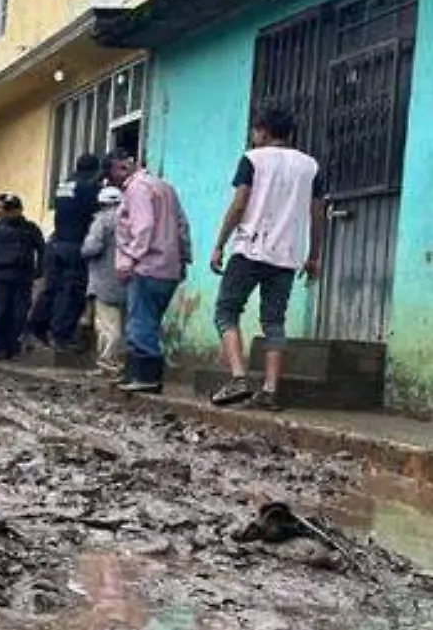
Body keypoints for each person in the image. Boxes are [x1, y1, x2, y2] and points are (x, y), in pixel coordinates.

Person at [207, 106, 327, 410]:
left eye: (255, 131)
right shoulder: (310, 166)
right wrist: (314, 255)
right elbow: (317, 213)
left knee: (226, 311)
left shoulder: (252, 159)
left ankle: (238, 378)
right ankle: (270, 390)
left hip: (249, 248)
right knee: (274, 321)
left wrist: (220, 243)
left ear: (262, 131)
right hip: (286, 256)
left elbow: (239, 204)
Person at [109, 149, 192, 394]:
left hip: (147, 265)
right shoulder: (165, 187)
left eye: (112, 173)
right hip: (169, 268)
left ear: (121, 168)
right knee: (149, 322)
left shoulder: (136, 189)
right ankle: (136, 374)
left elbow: (143, 227)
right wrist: (184, 258)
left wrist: (129, 260)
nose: (112, 180)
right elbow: (182, 226)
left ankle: (145, 377)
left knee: (140, 323)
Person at [29, 153, 105, 351]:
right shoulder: (88, 187)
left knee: (51, 289)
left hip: (57, 243)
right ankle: (61, 335)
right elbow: (96, 209)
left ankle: (37, 326)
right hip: (75, 245)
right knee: (71, 292)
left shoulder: (65, 185)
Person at [0, 193, 46, 360]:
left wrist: (39, 270)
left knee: (19, 315)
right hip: (0, 277)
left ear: (19, 210)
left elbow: (42, 250)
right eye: (7, 210)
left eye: (12, 210)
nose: (9, 214)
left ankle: (12, 347)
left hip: (22, 277)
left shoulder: (30, 228)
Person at [79, 184, 128, 376]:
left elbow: (91, 248)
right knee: (122, 323)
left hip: (104, 280)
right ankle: (112, 362)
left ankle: (108, 362)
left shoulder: (102, 222)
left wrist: (83, 250)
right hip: (126, 280)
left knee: (107, 325)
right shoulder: (130, 219)